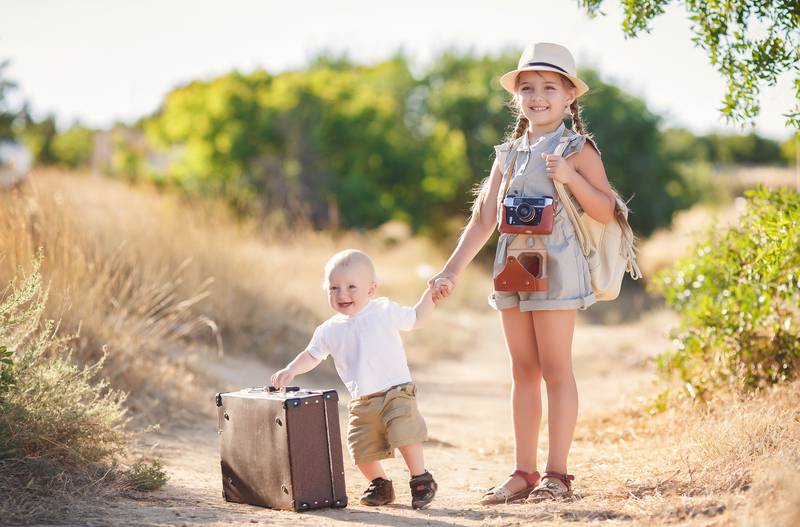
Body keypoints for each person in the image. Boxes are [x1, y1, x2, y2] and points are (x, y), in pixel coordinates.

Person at [429, 42, 616, 504]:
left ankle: (557, 476)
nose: (537, 96)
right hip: (512, 269)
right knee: (523, 371)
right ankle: (522, 473)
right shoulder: (508, 153)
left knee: (556, 370)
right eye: (527, 87)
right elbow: (483, 218)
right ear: (517, 97)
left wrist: (570, 177)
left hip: (558, 271)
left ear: (570, 96)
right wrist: (449, 271)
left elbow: (607, 210)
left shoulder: (578, 147)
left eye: (549, 87)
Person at [271, 249, 439, 509]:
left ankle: (420, 479)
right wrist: (292, 369)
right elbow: (312, 355)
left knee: (405, 433)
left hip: (397, 391)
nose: (342, 294)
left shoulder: (383, 310)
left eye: (351, 286)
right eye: (334, 288)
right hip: (362, 400)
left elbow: (417, 318)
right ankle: (381, 484)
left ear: (371, 289)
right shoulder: (328, 330)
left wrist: (430, 295)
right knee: (360, 449)